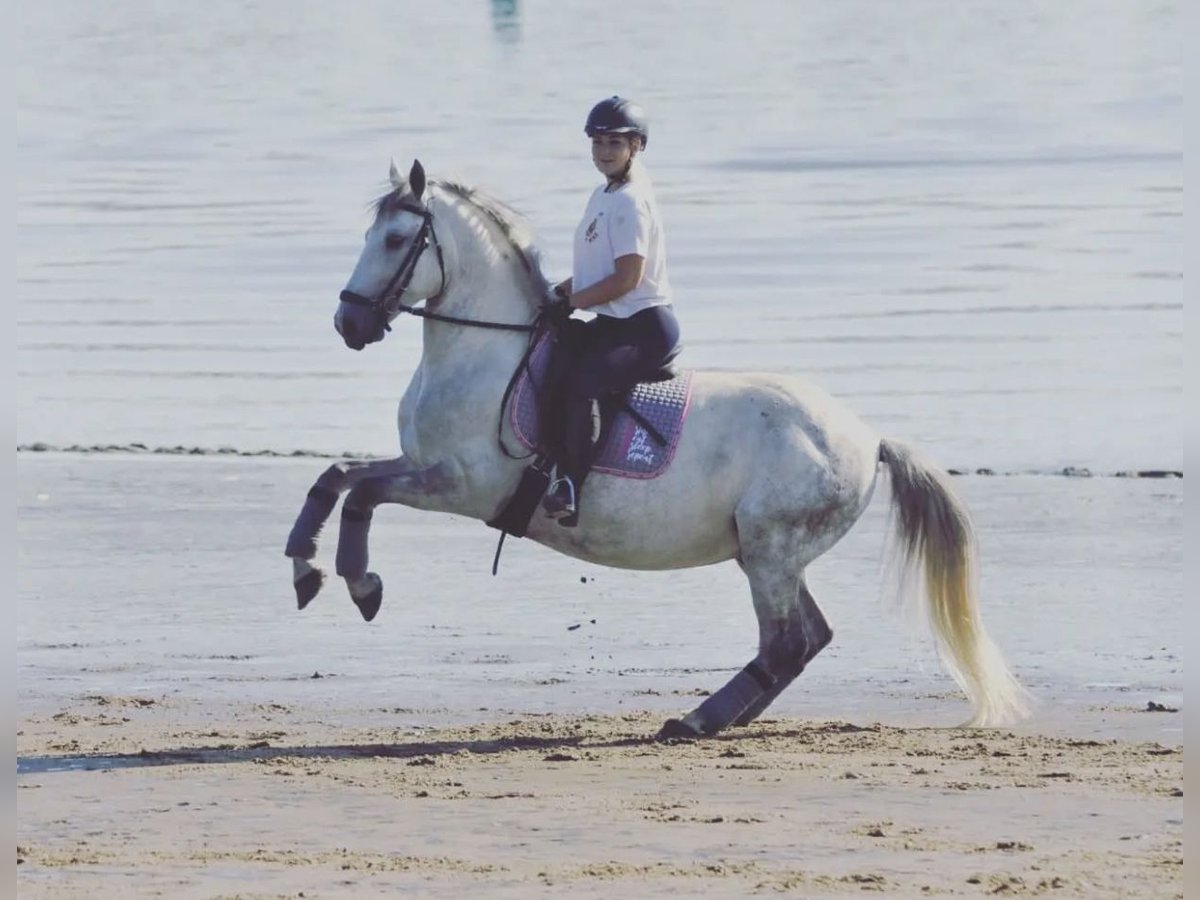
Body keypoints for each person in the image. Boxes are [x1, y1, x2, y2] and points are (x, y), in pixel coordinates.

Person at [542, 96, 682, 526]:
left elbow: (627, 279)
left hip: (643, 328)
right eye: (598, 142)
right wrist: (554, 293)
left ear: (636, 146)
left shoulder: (630, 202)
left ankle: (571, 485)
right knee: (553, 355)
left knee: (584, 383)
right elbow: (594, 271)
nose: (604, 151)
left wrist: (572, 302)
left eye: (614, 143)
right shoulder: (603, 194)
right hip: (611, 321)